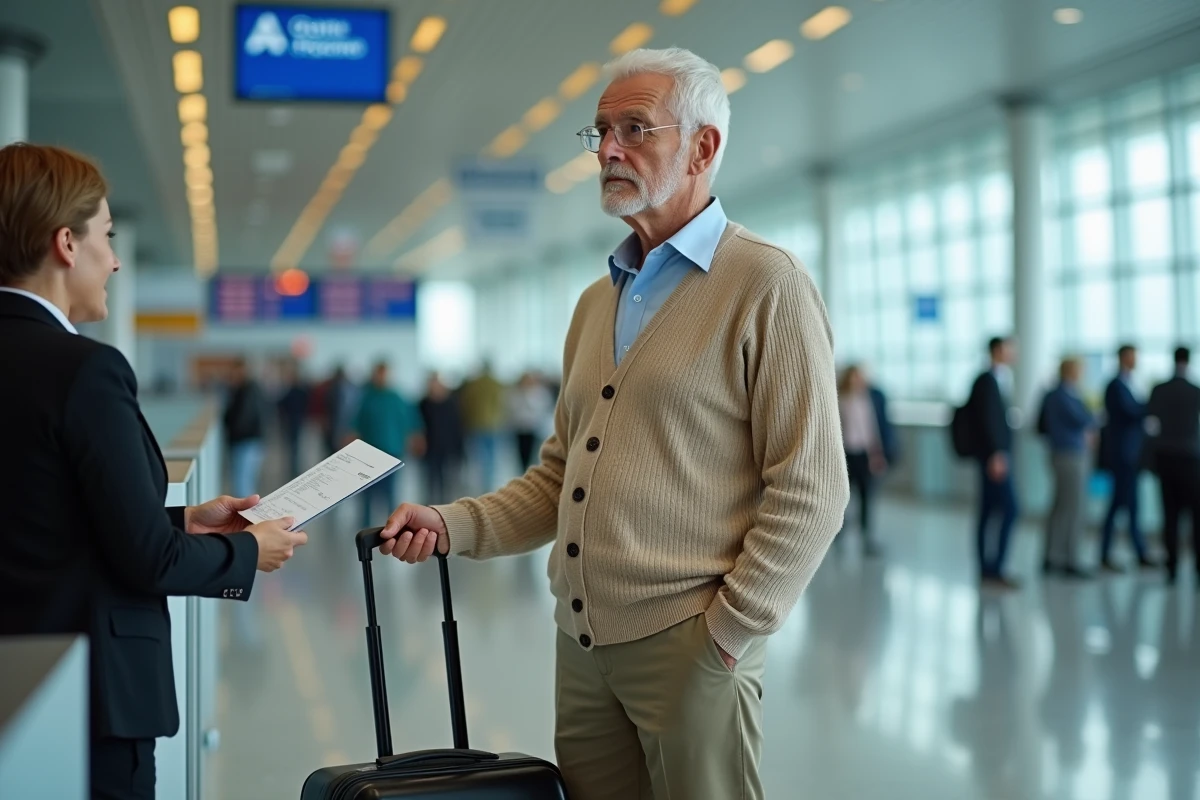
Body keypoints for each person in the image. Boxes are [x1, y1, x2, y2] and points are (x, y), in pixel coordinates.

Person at [377, 48, 848, 800]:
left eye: (635, 128)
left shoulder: (766, 283)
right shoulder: (598, 304)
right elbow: (561, 478)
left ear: (703, 147)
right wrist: (449, 521)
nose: (607, 150)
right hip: (583, 644)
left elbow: (814, 487)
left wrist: (727, 634)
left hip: (691, 645)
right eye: (599, 131)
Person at [0, 142, 307, 800]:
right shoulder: (84, 369)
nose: (114, 261)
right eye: (106, 238)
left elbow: (36, 512)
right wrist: (249, 552)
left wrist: (182, 518)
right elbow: (147, 562)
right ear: (65, 243)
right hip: (91, 694)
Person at [967, 336, 1020, 590]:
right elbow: (988, 420)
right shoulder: (987, 380)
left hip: (995, 457)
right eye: (1010, 348)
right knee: (1009, 509)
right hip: (994, 459)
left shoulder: (998, 378)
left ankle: (988, 568)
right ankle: (993, 567)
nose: (1014, 353)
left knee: (989, 511)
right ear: (999, 350)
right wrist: (996, 454)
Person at [1145, 347, 1200, 586]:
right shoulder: (1195, 391)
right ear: (1188, 362)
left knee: (1170, 515)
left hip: (1165, 459)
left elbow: (1150, 424)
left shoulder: (1159, 390)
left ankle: (1172, 569)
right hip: (1190, 459)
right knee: (1196, 517)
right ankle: (1198, 569)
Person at [1038, 357, 1096, 578]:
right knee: (1073, 507)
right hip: (1070, 454)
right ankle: (1069, 558)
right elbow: (1084, 418)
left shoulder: (1053, 394)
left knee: (1061, 505)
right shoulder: (1064, 395)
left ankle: (1052, 555)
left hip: (1060, 452)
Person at [1099, 344, 1155, 571]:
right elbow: (1130, 411)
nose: (1136, 360)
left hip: (1131, 453)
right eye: (1132, 356)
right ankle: (1108, 553)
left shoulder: (1129, 383)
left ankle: (1138, 551)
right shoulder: (1116, 385)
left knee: (1130, 505)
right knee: (1120, 505)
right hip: (1122, 454)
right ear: (1123, 357)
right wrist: (1152, 405)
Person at [353, 360, 421, 530]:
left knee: (390, 492)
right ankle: (365, 525)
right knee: (368, 492)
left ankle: (392, 524)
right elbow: (356, 422)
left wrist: (416, 438)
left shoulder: (397, 397)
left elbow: (411, 421)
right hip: (369, 453)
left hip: (392, 451)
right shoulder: (367, 398)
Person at [836, 364, 894, 557]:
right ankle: (839, 532)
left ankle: (867, 537)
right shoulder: (841, 400)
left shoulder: (868, 401)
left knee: (867, 496)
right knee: (843, 497)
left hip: (864, 454)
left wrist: (876, 455)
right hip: (846, 455)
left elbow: (872, 431)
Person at [459, 361, 507, 492]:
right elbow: (503, 404)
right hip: (493, 424)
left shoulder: (474, 384)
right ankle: (488, 483)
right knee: (491, 457)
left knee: (478, 456)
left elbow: (466, 404)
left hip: (476, 424)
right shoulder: (496, 384)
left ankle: (480, 482)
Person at [418, 373, 465, 505]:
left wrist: (459, 448)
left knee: (447, 481)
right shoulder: (423, 403)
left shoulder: (451, 403)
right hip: (430, 449)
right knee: (430, 481)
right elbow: (418, 427)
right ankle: (430, 506)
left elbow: (457, 427)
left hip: (447, 448)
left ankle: (445, 507)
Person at [223, 357, 266, 499]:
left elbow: (242, 418)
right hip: (248, 441)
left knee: (243, 484)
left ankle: (245, 519)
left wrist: (231, 428)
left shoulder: (247, 391)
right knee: (245, 482)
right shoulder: (246, 389)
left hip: (246, 441)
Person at [509, 371, 555, 473]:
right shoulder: (516, 393)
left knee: (533, 451)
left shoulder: (538, 393)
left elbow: (541, 408)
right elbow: (512, 409)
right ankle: (523, 469)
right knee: (521, 452)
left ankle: (531, 469)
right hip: (520, 427)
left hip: (533, 427)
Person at [276, 361, 310, 478]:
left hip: (294, 420)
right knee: (295, 446)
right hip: (296, 420)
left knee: (294, 446)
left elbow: (282, 404)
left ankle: (294, 468)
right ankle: (294, 468)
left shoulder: (294, 391)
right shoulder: (301, 391)